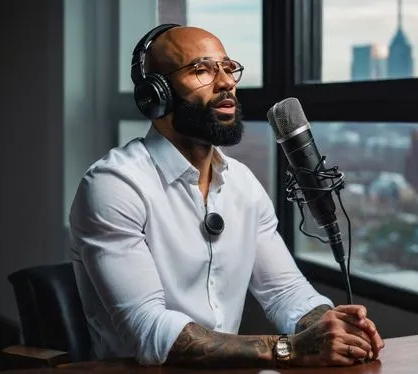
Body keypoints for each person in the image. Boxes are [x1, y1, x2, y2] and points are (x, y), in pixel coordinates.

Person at [69, 23, 384, 369]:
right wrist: (288, 348)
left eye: (228, 67)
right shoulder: (113, 184)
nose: (226, 83)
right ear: (156, 94)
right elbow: (149, 331)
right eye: (201, 69)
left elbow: (286, 291)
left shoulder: (243, 184)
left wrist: (328, 327)